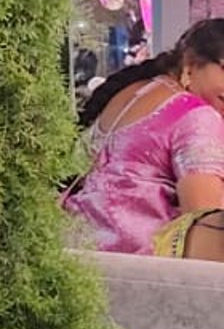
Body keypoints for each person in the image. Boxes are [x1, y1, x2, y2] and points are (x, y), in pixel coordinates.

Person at [66, 19, 224, 259]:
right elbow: (208, 232)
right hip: (138, 277)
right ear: (191, 63)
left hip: (72, 259)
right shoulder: (195, 115)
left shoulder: (131, 92)